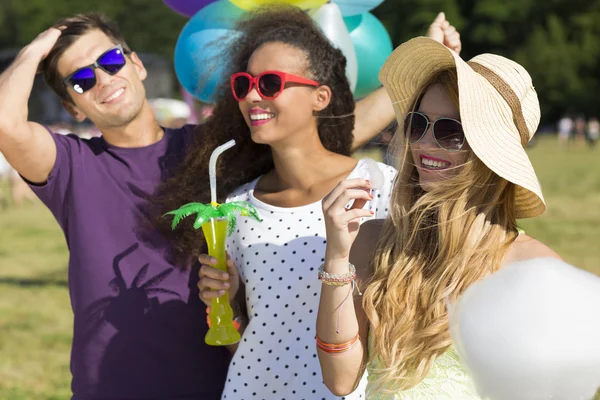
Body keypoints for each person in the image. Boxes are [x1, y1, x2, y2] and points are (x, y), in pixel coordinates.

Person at [0, 10, 445, 400]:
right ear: (72, 107)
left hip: (217, 382)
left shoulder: (211, 153)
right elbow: (6, 123)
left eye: (111, 60)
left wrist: (421, 65)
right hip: (109, 387)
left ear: (135, 64)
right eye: (81, 79)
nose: (103, 79)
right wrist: (40, 45)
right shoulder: (70, 165)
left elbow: (311, 137)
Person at [153, 8, 462, 400]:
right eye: (244, 83)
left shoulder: (382, 187)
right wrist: (225, 303)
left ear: (320, 97)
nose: (251, 95)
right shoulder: (236, 208)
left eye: (269, 83)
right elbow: (248, 344)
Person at [316, 37, 562, 399]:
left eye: (451, 131)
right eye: (418, 124)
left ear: (490, 153)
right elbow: (341, 379)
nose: (426, 144)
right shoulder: (373, 240)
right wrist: (337, 256)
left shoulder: (531, 267)